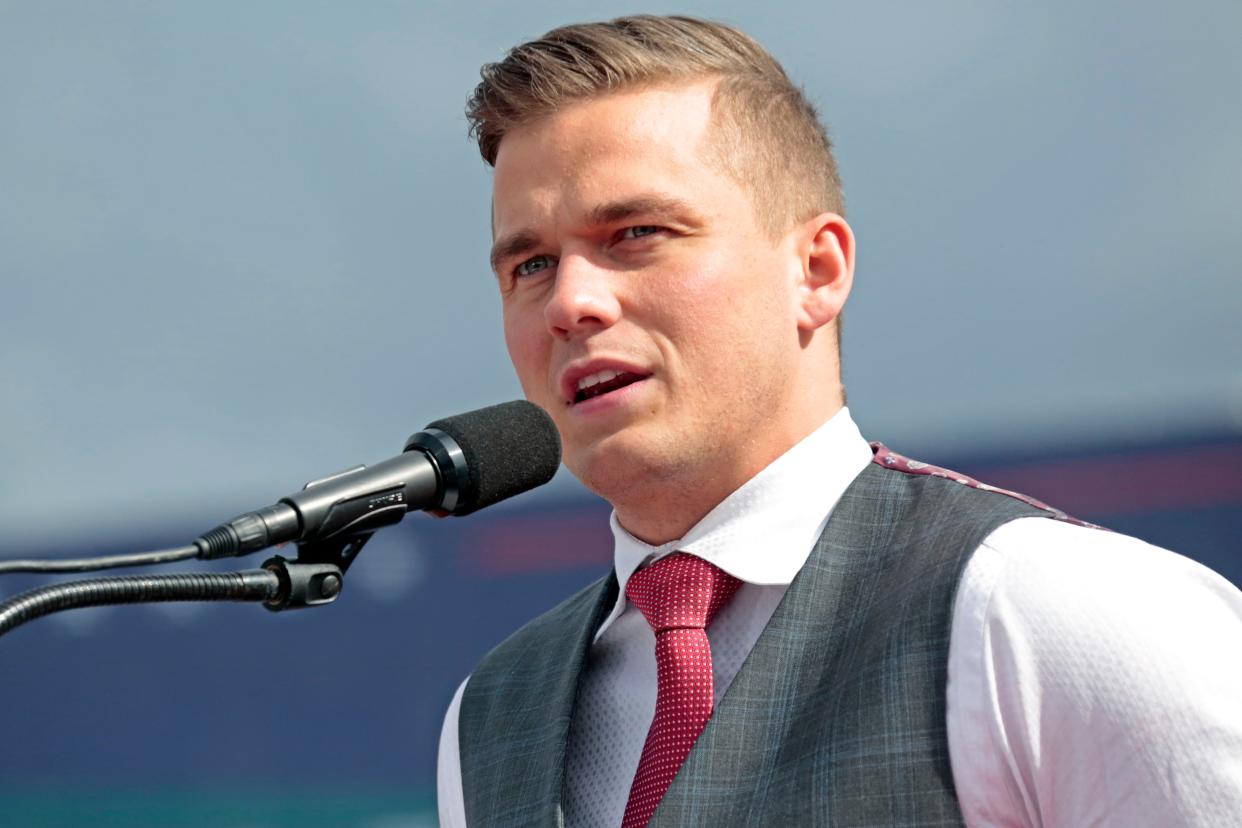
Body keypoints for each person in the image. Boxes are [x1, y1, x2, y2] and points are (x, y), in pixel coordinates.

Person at [437, 15, 1242, 827]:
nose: (572, 303)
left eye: (637, 233)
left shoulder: (1048, 612)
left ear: (815, 271)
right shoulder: (491, 715)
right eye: (531, 264)